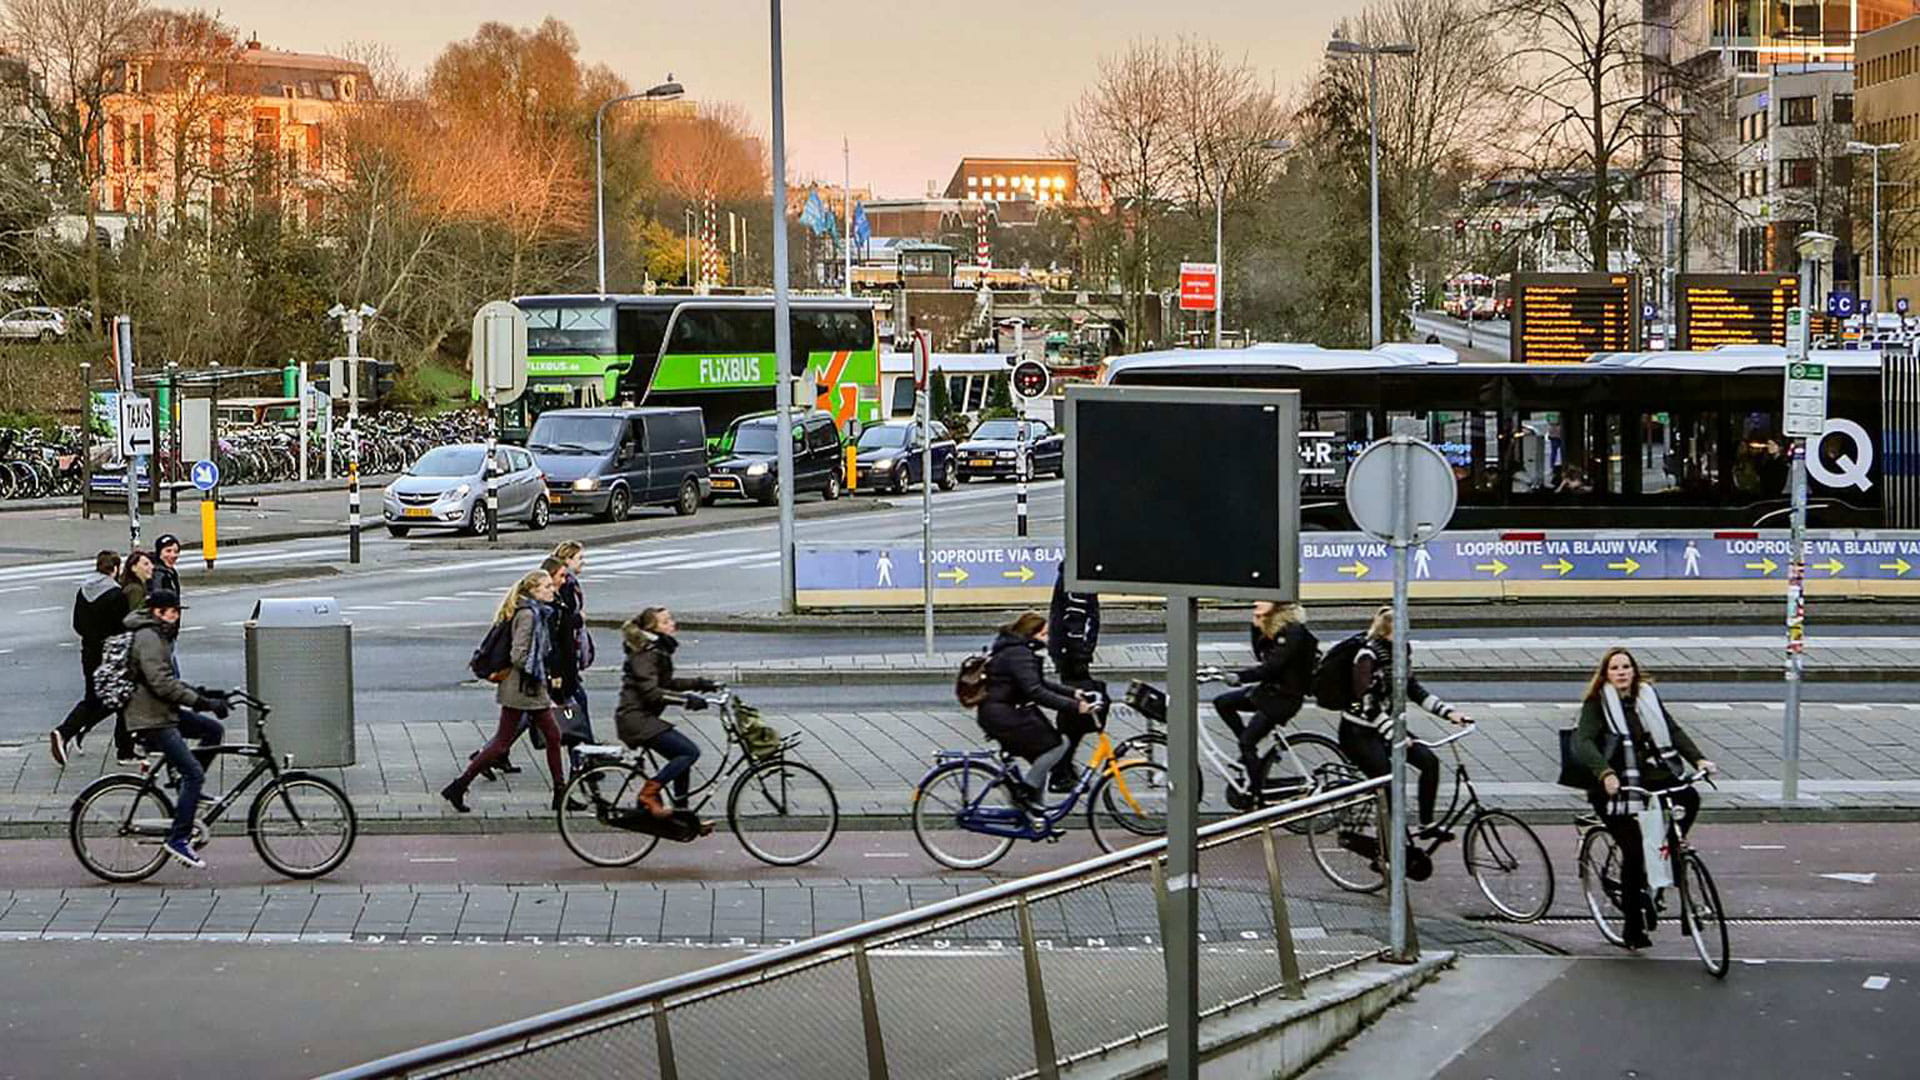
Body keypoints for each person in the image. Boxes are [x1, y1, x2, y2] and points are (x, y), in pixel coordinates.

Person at [1571, 647, 1717, 950]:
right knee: (1635, 852)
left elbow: (1672, 730)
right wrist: (1605, 773)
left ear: (1635, 671)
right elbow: (1582, 742)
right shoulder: (1596, 704)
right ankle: (1632, 928)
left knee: (1688, 798)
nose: (1622, 672)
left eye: (1627, 667)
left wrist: (1699, 760)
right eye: (1615, 668)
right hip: (1614, 787)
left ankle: (1671, 855)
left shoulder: (1647, 696)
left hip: (1651, 776)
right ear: (1606, 674)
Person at [441, 571, 571, 813]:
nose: (551, 590)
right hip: (524, 687)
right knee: (510, 742)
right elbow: (519, 655)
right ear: (532, 591)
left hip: (524, 686)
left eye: (551, 586)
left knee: (547, 736)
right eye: (546, 587)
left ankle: (560, 792)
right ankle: (459, 786)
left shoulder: (537, 612)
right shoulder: (529, 615)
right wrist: (539, 673)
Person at [1338, 606, 1471, 839]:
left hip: (1387, 727)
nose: (1405, 637)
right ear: (1386, 632)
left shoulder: (1402, 652)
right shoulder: (1367, 657)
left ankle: (1426, 824)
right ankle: (1387, 852)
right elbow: (1368, 706)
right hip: (1358, 731)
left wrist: (1449, 713)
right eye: (1401, 632)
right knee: (1388, 783)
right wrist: (1395, 734)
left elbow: (1414, 690)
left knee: (1429, 763)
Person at [123, 588, 231, 869]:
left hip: (162, 711)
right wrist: (201, 701)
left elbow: (167, 680)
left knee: (212, 731)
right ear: (158, 612)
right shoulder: (149, 637)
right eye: (173, 611)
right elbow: (160, 684)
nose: (176, 615)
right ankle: (178, 838)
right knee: (194, 773)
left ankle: (185, 789)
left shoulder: (158, 634)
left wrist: (205, 694)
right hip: (151, 718)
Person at [979, 611, 1095, 816]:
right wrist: (1074, 707)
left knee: (1041, 757)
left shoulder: (1016, 649)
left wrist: (1073, 693)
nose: (1048, 639)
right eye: (1044, 634)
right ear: (1032, 634)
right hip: (1004, 715)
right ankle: (1025, 795)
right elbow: (1036, 691)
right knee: (1058, 745)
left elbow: (1037, 682)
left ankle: (1035, 815)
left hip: (1003, 712)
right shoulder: (1019, 654)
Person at [614, 606, 719, 822]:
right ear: (654, 628)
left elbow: (667, 683)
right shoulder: (647, 653)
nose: (672, 624)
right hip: (636, 719)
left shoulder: (657, 650)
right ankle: (649, 793)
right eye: (666, 621)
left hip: (642, 718)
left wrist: (701, 684)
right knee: (688, 752)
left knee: (681, 756)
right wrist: (687, 700)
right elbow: (652, 692)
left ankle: (681, 815)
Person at [1213, 601, 1317, 809]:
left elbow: (1271, 667)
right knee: (1222, 703)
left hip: (1284, 699)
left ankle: (1257, 798)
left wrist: (1240, 677)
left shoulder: (1293, 631)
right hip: (1267, 693)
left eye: (1262, 600)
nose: (1255, 603)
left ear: (1277, 604)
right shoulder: (1272, 626)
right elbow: (1260, 655)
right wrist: (1256, 627)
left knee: (1247, 742)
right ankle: (1251, 758)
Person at [49, 550, 129, 766]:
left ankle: (69, 732)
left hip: (89, 651)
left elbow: (77, 624)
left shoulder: (84, 590)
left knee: (95, 697)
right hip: (110, 652)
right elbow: (122, 627)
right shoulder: (116, 595)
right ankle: (66, 732)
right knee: (119, 698)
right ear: (115, 568)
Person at [1045, 564, 1102, 792]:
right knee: (1078, 710)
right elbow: (1074, 616)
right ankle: (1060, 770)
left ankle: (1063, 767)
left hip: (1068, 652)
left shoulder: (1076, 570)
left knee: (1075, 711)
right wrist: (1080, 652)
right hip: (1071, 654)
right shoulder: (1077, 573)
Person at [120, 549, 155, 614]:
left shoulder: (141, 587)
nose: (152, 567)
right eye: (146, 564)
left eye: (151, 563)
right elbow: (136, 615)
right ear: (134, 568)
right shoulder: (135, 590)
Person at [152, 533, 182, 598]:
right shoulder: (158, 574)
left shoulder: (170, 572)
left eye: (176, 552)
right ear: (159, 553)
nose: (173, 555)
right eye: (168, 551)